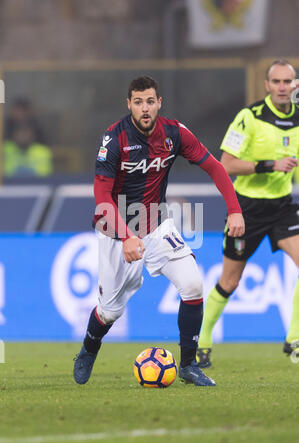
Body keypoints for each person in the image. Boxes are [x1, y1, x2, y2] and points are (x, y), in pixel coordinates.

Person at [73, 76, 244, 386]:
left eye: (150, 101)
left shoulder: (174, 133)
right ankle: (88, 348)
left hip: (155, 225)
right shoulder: (114, 140)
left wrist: (234, 209)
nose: (145, 108)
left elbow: (215, 167)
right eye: (138, 102)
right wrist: (126, 236)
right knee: (110, 311)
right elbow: (102, 199)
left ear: (159, 102)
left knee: (192, 285)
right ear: (129, 105)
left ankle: (189, 365)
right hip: (115, 232)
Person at [197, 59, 299, 368]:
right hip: (247, 209)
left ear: (295, 85)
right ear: (267, 85)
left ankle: (294, 338)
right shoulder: (249, 118)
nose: (282, 87)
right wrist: (269, 165)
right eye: (277, 82)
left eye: (288, 82)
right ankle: (202, 341)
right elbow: (225, 164)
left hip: (282, 207)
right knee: (230, 281)